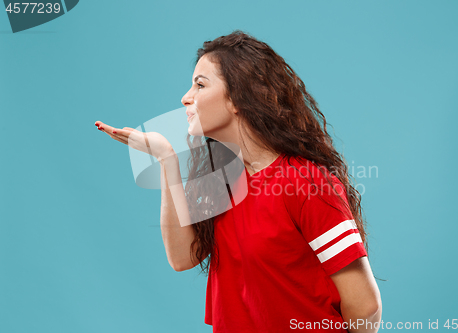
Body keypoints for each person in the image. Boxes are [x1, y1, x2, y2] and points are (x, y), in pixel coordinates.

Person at [95, 30, 382, 333]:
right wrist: (167, 160)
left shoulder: (305, 181)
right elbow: (182, 257)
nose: (186, 97)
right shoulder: (223, 181)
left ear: (237, 98)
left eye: (200, 84)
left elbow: (366, 307)